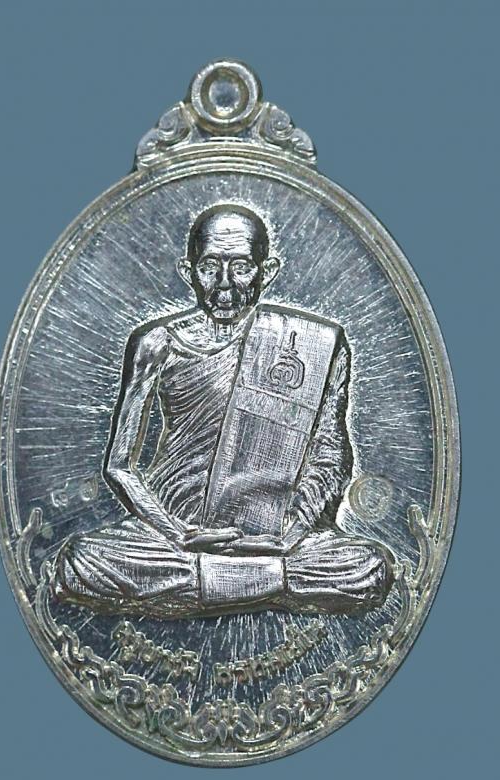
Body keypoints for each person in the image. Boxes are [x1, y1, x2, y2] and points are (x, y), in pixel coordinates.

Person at [52, 204, 394, 617]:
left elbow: (330, 454)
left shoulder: (316, 344)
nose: (225, 285)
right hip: (173, 535)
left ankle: (205, 586)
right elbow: (119, 466)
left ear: (267, 272)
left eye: (242, 268)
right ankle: (267, 585)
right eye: (210, 267)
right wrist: (178, 533)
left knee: (369, 569)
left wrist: (292, 534)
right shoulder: (157, 343)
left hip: (274, 539)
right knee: (81, 562)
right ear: (188, 271)